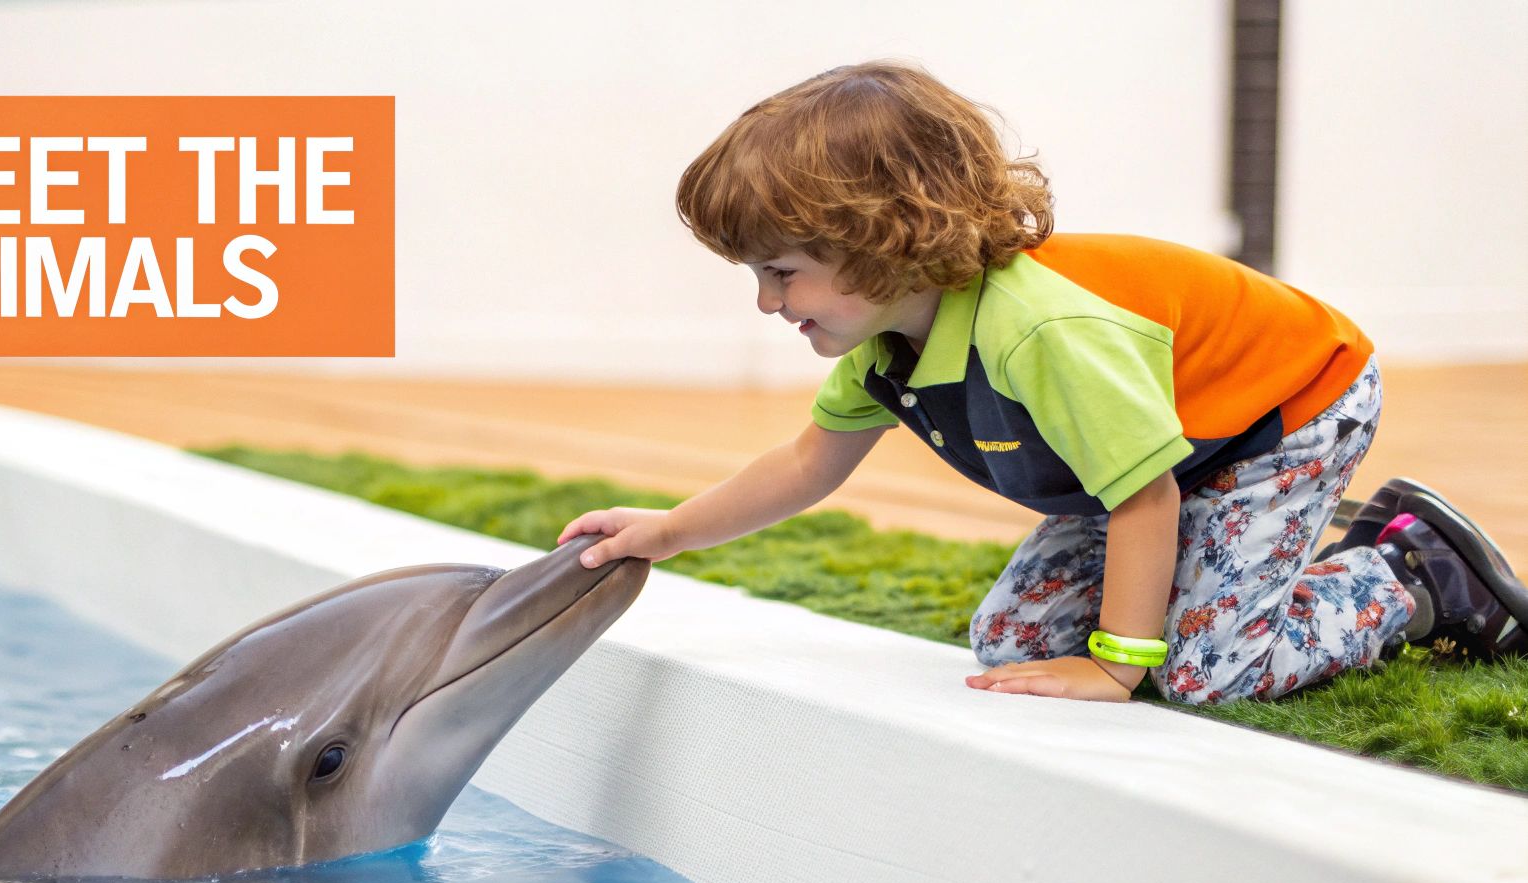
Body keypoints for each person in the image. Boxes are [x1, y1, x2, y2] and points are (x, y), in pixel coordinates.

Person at [556, 60, 1526, 704]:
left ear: (884, 241)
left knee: (1198, 668)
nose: (768, 304)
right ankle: (1250, 564)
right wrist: (666, 529)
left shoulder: (1041, 333)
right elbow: (810, 461)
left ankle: (1409, 571)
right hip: (1149, 446)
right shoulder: (885, 349)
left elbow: (1143, 493)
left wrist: (1117, 665)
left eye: (783, 272)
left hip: (1281, 410)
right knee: (1013, 639)